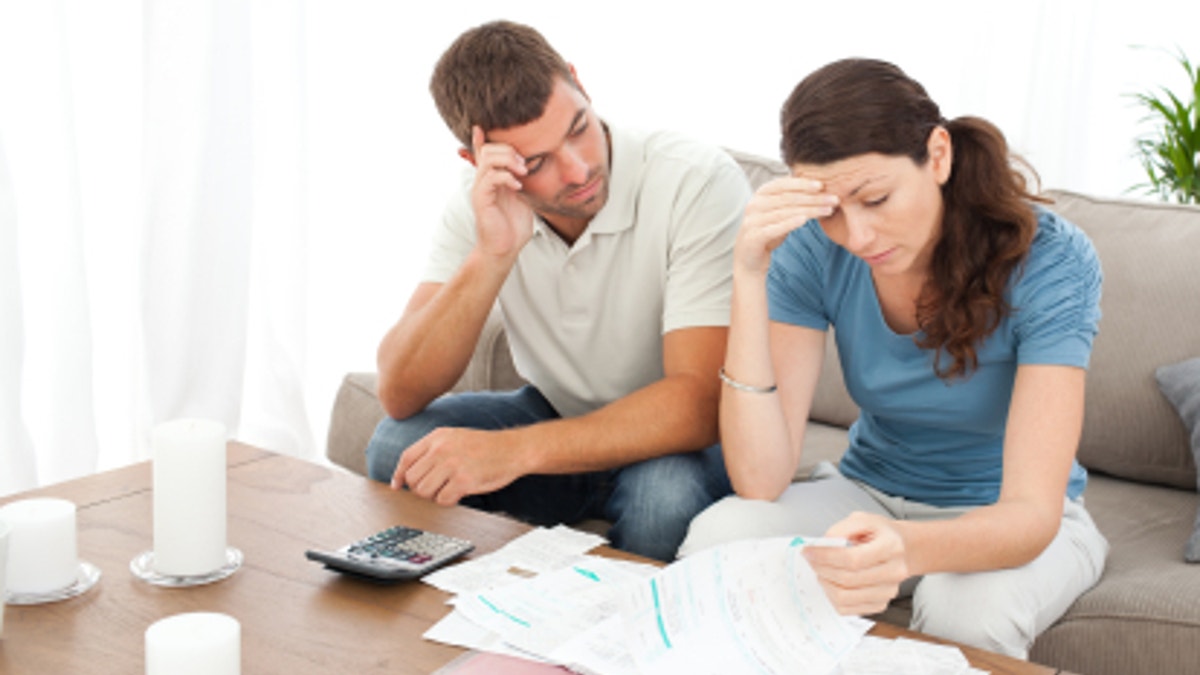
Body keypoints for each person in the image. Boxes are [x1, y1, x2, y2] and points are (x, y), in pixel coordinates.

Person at [678, 58, 1109, 657]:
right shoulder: (810, 248)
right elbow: (760, 478)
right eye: (830, 210)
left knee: (965, 614)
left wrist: (904, 547)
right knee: (718, 539)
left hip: (1007, 516)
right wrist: (750, 274)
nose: (857, 237)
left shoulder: (1051, 261)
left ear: (937, 155)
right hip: (870, 491)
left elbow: (1032, 514)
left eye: (875, 198)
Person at [364, 20, 751, 562]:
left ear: (578, 82)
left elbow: (698, 404)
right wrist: (492, 255)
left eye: (578, 128)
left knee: (661, 503)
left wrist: (513, 452)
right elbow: (400, 391)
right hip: (557, 414)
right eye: (538, 162)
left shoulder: (695, 181)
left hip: (679, 443)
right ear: (480, 162)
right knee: (396, 447)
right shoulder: (480, 205)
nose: (579, 169)